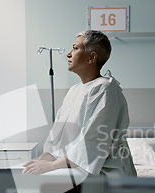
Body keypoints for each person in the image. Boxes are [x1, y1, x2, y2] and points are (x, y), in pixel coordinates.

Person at [23, 30, 136, 177]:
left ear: (91, 57)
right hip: (78, 167)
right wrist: (42, 159)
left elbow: (92, 141)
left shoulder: (105, 88)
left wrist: (53, 165)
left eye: (75, 48)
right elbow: (57, 135)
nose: (68, 54)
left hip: (106, 173)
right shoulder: (74, 91)